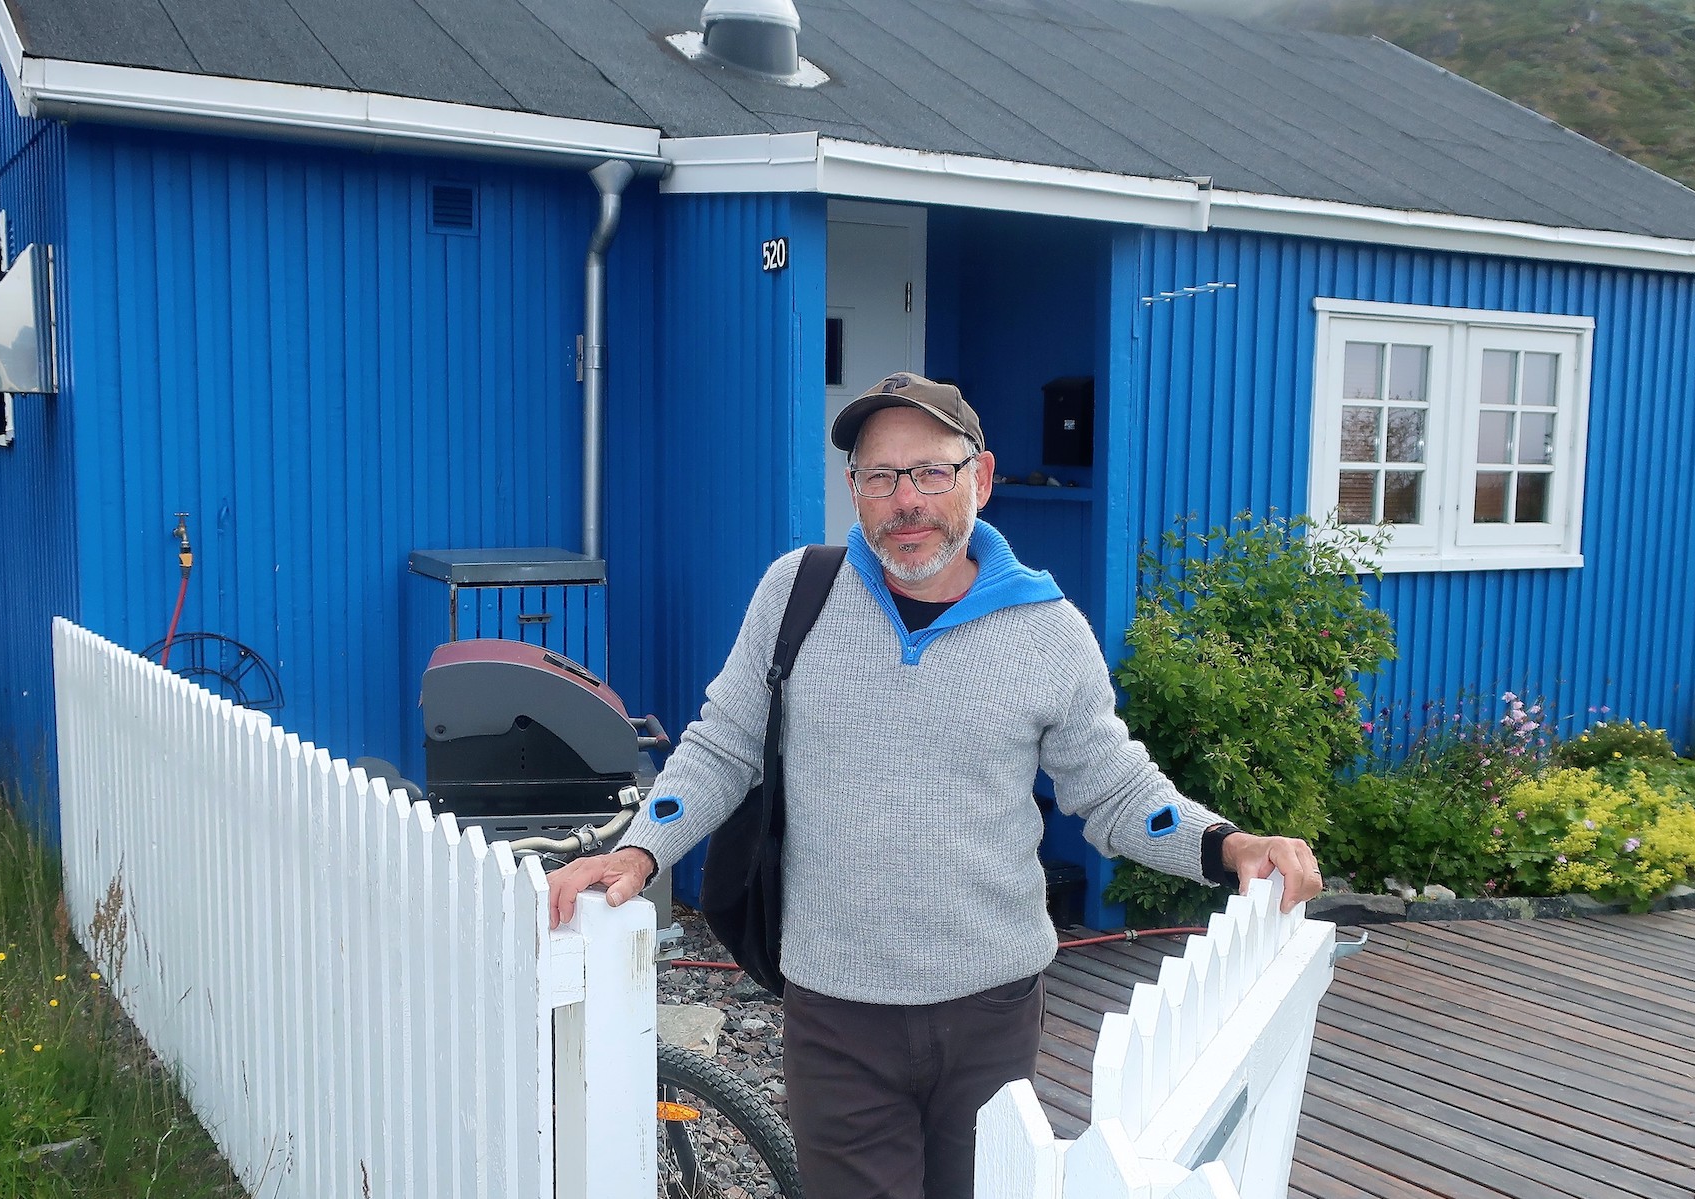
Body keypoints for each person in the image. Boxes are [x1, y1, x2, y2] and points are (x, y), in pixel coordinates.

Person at [545, 372, 1322, 1199]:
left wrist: (1226, 844)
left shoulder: (1046, 631)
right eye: (881, 477)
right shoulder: (795, 595)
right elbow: (721, 747)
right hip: (836, 1014)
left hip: (991, 1014)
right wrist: (639, 852)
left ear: (979, 478)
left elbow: (1118, 789)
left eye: (930, 472)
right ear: (854, 492)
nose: (905, 499)